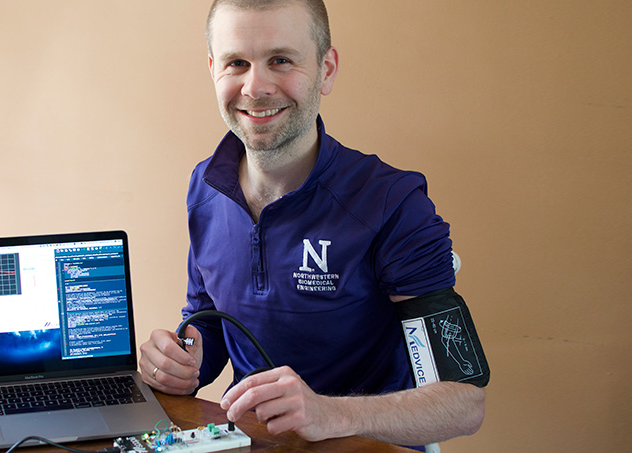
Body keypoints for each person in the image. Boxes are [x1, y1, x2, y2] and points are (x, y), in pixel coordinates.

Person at [139, 0, 485, 449]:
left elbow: (463, 402)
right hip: (247, 442)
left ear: (326, 68)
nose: (255, 86)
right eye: (236, 63)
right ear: (212, 69)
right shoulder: (205, 187)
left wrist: (331, 412)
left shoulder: (392, 202)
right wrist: (181, 364)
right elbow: (210, 321)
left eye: (280, 60)